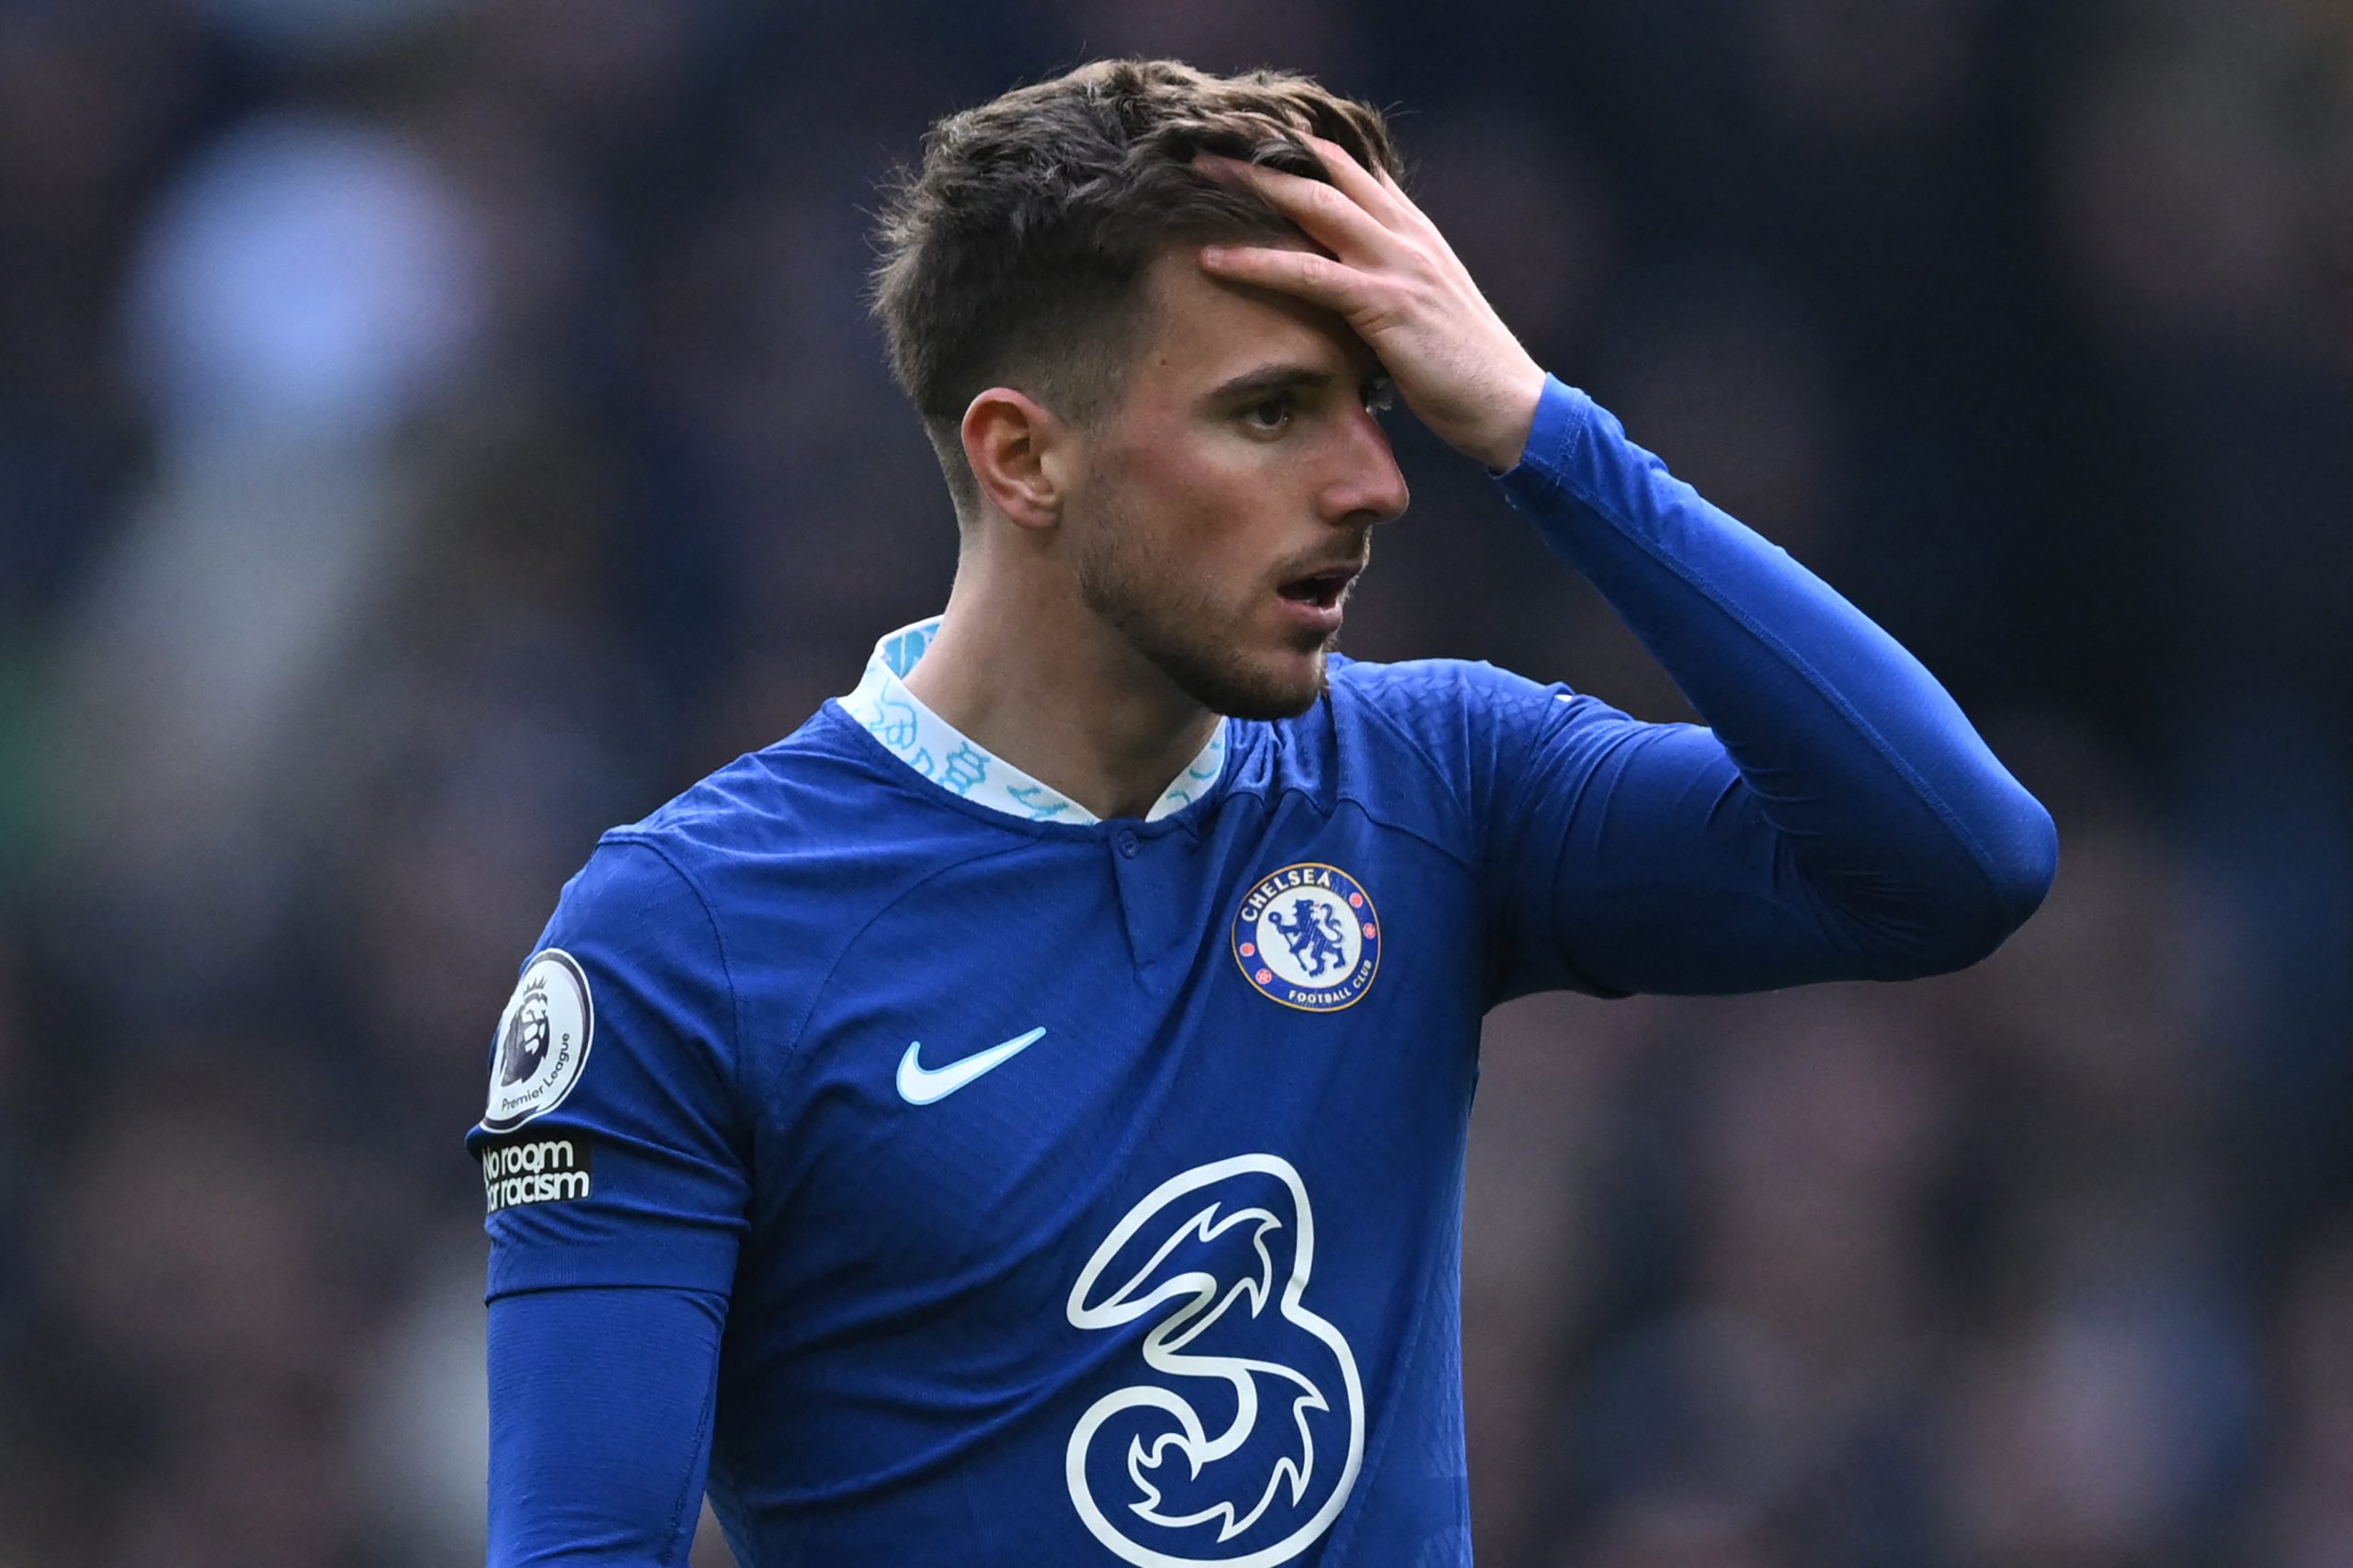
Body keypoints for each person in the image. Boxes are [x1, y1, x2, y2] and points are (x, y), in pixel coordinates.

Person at [470, 57, 2056, 1567]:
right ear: (1025, 456)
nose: (1376, 479)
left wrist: (1545, 434)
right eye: (1273, 412)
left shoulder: (1437, 780)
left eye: (1379, 398)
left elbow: (1954, 859)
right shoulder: (684, 941)